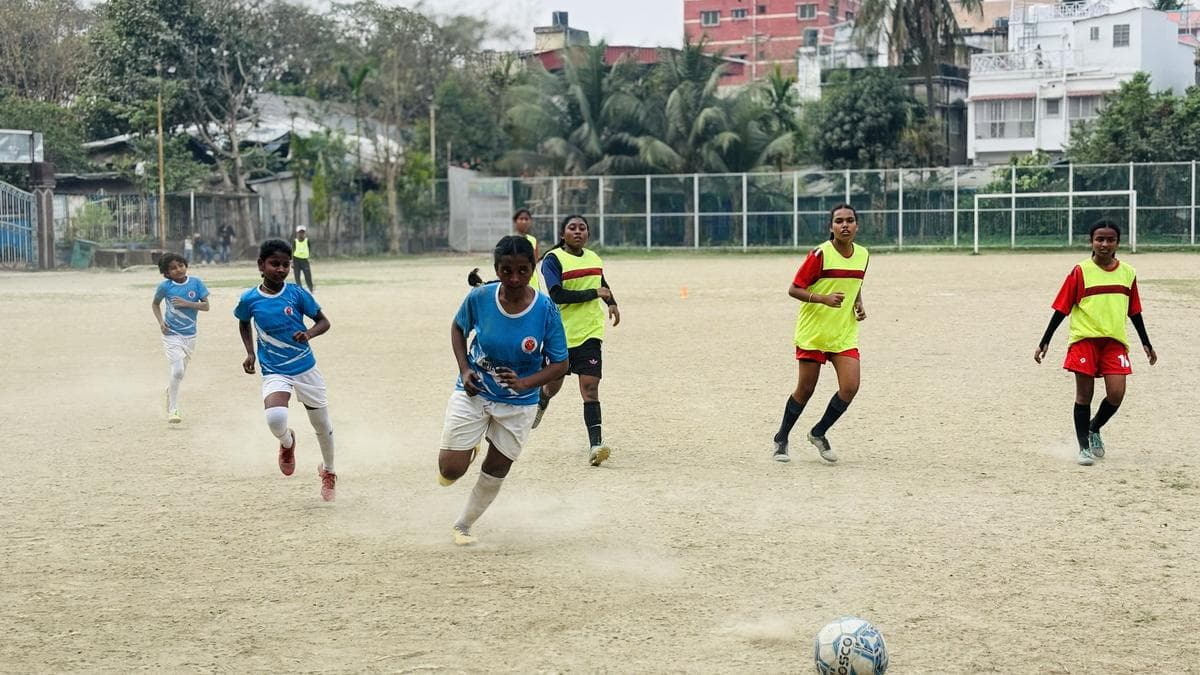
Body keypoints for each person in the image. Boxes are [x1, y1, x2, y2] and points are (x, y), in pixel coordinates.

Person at [438, 235, 569, 545]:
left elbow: (560, 364)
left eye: (522, 270)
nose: (514, 278)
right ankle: (468, 448)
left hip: (519, 403)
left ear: (532, 268)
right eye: (506, 270)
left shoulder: (545, 310)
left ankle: (463, 525)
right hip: (475, 392)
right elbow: (458, 328)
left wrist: (525, 383)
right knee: (449, 471)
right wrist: (465, 368)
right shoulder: (480, 298)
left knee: (497, 467)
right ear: (496, 269)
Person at [1035, 219, 1157, 466]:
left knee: (1116, 393)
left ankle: (1094, 428)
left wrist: (1146, 343)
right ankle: (1083, 448)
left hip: (1114, 342)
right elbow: (1062, 308)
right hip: (1084, 341)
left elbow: (1134, 311)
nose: (1104, 244)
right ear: (1091, 242)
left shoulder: (1128, 273)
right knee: (1084, 395)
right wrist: (1045, 340)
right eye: (1099, 239)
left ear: (1117, 243)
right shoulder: (1080, 271)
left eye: (1110, 239)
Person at [235, 239, 339, 501]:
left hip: (305, 368)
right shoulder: (250, 299)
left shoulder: (297, 294)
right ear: (261, 265)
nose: (280, 269)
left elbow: (324, 322)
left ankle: (328, 471)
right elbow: (243, 323)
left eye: (285, 265)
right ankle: (287, 442)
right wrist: (250, 352)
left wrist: (309, 333)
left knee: (321, 424)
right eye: (274, 264)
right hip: (274, 370)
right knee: (275, 418)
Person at [771, 203, 868, 464]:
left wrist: (858, 302)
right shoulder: (820, 255)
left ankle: (818, 432)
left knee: (850, 387)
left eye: (850, 220)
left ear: (857, 225)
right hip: (814, 332)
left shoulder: (864, 254)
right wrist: (822, 298)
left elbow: (856, 282)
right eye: (839, 221)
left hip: (843, 333)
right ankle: (781, 438)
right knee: (805, 389)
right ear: (831, 227)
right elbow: (794, 289)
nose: (845, 225)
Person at [531, 214, 621, 467]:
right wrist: (595, 293)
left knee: (590, 387)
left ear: (588, 234)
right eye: (572, 228)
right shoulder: (553, 259)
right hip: (559, 334)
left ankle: (596, 445)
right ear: (563, 234)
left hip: (590, 333)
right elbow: (557, 295)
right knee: (553, 387)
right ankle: (543, 399)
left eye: (583, 228)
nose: (578, 231)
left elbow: (600, 281)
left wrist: (611, 302)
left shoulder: (594, 258)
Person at [151, 252, 209, 424]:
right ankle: (173, 409)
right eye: (173, 268)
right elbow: (155, 304)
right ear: (167, 273)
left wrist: (187, 304)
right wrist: (161, 322)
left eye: (180, 265)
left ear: (185, 265)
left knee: (179, 374)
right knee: (177, 371)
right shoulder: (165, 287)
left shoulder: (196, 283)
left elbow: (206, 306)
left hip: (190, 336)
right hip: (171, 335)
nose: (178, 270)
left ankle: (170, 393)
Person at [513, 208, 539, 290]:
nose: (524, 221)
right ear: (515, 221)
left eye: (526, 219)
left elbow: (535, 260)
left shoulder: (533, 240)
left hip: (532, 280)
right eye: (521, 219)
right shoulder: (511, 240)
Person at [292, 225, 315, 292]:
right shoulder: (295, 241)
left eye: (302, 232)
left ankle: (311, 289)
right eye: (300, 232)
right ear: (297, 233)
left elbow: (309, 249)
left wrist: (309, 257)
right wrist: (292, 262)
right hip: (296, 260)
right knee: (297, 277)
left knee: (308, 276)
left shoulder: (307, 241)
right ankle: (300, 290)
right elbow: (292, 251)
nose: (301, 234)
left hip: (305, 260)